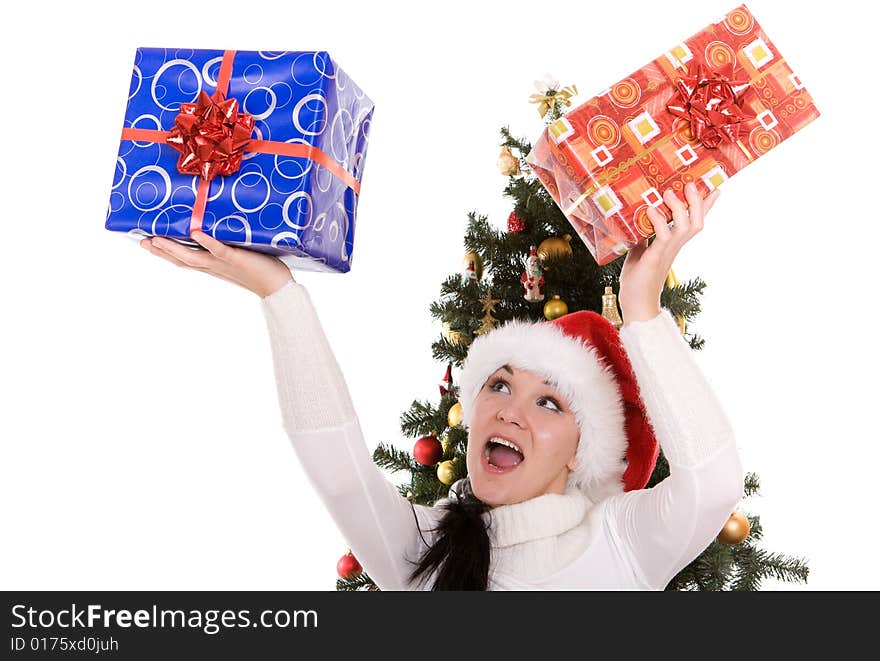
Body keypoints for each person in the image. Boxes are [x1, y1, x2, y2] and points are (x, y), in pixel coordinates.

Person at [141, 182, 743, 590]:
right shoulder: (421, 546)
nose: (508, 411)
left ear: (582, 453)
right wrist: (279, 293)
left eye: (549, 402)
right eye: (499, 386)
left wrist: (641, 307)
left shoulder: (624, 538)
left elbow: (714, 484)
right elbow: (339, 470)